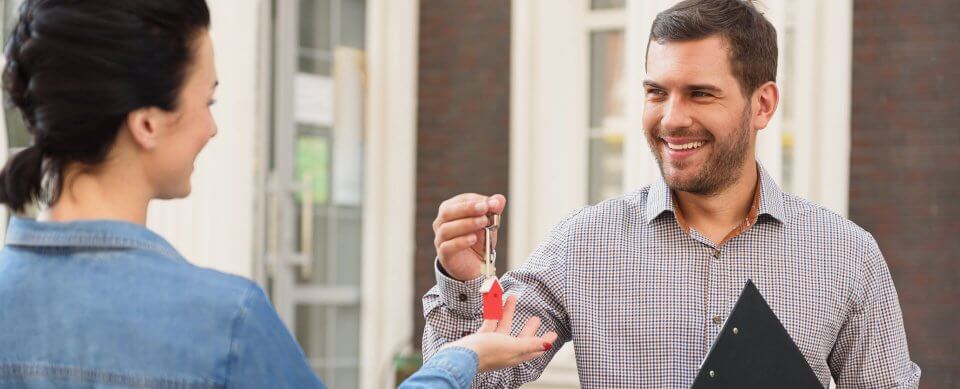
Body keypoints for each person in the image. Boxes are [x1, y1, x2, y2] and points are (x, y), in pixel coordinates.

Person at [0, 0, 554, 388]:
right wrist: (463, 359)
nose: (211, 129)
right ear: (147, 123)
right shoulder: (224, 322)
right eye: (208, 102)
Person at [423, 0, 922, 387]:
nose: (670, 118)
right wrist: (468, 283)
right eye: (656, 92)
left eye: (699, 93)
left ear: (762, 104)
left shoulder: (846, 256)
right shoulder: (584, 244)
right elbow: (480, 376)